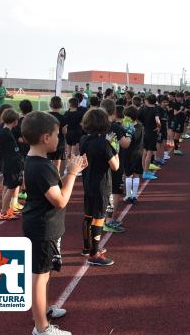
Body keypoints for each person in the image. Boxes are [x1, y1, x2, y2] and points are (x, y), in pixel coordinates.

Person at [21, 111, 88, 335]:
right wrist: (71, 173)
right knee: (40, 275)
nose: (60, 139)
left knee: (45, 272)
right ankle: (41, 328)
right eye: (57, 135)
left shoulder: (36, 161)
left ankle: (45, 310)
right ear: (45, 138)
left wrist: (70, 172)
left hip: (43, 225)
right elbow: (60, 200)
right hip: (42, 227)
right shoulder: (41, 166)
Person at [79, 108, 118, 266]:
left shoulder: (83, 140)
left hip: (88, 183)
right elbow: (115, 166)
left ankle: (87, 248)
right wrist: (114, 147)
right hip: (102, 185)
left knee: (88, 216)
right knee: (99, 218)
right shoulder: (105, 143)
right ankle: (95, 254)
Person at [101, 99, 131, 233]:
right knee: (115, 192)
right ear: (113, 112)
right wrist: (129, 133)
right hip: (114, 162)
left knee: (103, 191)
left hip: (98, 162)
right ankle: (109, 220)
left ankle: (102, 219)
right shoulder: (115, 127)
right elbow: (125, 144)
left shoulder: (95, 124)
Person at [122, 105, 144, 203]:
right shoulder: (140, 126)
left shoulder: (127, 128)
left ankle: (128, 195)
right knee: (136, 174)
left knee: (128, 174)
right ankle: (134, 196)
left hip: (128, 153)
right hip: (138, 152)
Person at [138, 94, 162, 178]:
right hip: (152, 133)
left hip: (145, 131)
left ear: (147, 101)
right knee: (149, 153)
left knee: (145, 151)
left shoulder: (142, 109)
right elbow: (157, 121)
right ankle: (146, 172)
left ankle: (144, 169)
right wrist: (159, 127)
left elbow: (137, 119)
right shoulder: (155, 110)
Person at [47, 96, 67, 174]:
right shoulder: (63, 118)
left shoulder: (46, 116)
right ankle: (56, 180)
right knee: (57, 164)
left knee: (47, 162)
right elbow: (64, 132)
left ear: (50, 105)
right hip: (59, 141)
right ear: (61, 105)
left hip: (47, 140)